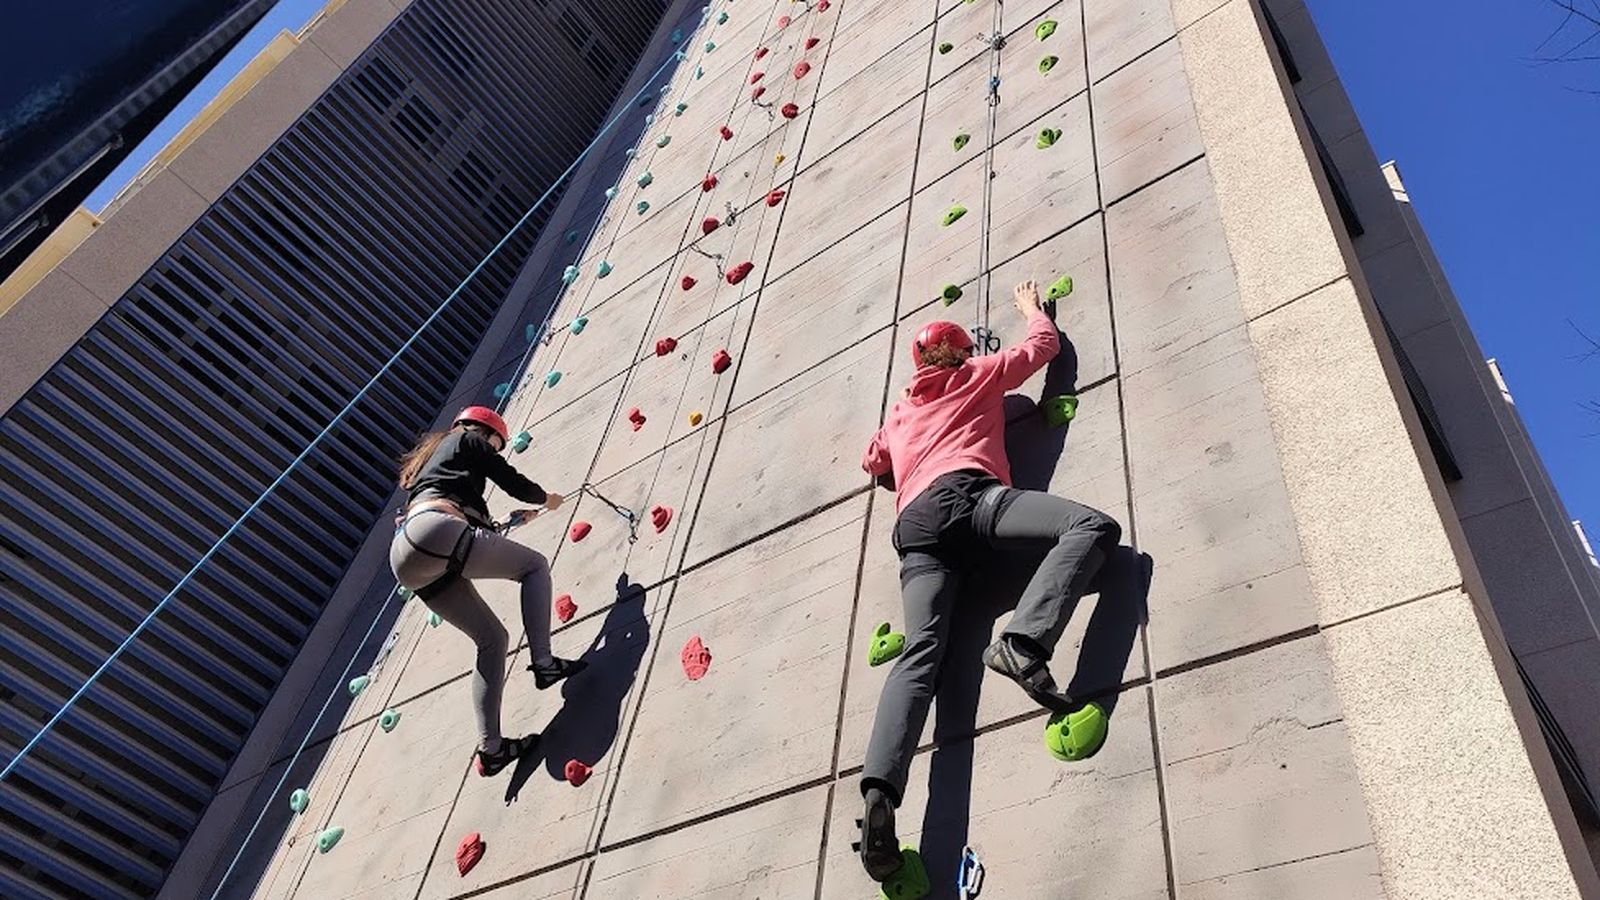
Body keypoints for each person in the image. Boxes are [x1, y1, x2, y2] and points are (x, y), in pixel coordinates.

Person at [854, 281, 1123, 883]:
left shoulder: (901, 410)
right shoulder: (977, 372)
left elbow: (874, 461)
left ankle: (879, 796)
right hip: (973, 499)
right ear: (957, 352)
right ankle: (1024, 643)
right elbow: (1043, 349)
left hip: (916, 527)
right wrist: (1031, 309)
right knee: (1090, 527)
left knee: (921, 655)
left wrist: (901, 432)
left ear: (918, 363)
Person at [389, 405, 587, 777]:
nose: (496, 450)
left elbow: (470, 532)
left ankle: (492, 749)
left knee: (492, 639)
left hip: (407, 556)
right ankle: (544, 663)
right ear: (486, 431)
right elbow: (511, 481)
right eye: (497, 443)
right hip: (437, 532)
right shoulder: (467, 439)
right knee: (534, 567)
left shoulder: (434, 464)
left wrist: (516, 521)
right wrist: (546, 499)